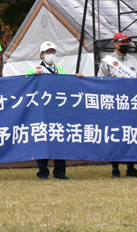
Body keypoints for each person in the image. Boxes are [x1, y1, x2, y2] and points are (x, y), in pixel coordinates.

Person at [26, 41, 81, 180]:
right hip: (42, 111)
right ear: (41, 55)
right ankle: (43, 172)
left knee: (60, 140)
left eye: (52, 52)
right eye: (47, 52)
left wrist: (78, 80)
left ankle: (60, 172)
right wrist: (33, 77)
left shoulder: (61, 70)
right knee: (42, 140)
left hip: (59, 111)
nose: (50, 54)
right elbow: (24, 83)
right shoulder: (34, 69)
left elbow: (69, 85)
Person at [97, 32, 137, 178]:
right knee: (115, 135)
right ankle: (115, 167)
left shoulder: (134, 61)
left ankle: (131, 167)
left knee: (131, 134)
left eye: (127, 42)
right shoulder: (107, 61)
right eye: (122, 42)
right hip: (114, 103)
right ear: (115, 44)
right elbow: (100, 81)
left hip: (131, 103)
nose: (125, 45)